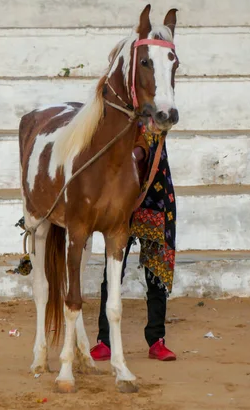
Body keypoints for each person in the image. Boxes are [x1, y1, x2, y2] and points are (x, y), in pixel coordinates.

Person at [90, 121, 177, 362]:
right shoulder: (121, 113)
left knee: (156, 273)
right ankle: (104, 340)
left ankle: (157, 340)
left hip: (157, 198)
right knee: (113, 270)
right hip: (121, 199)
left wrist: (124, 153)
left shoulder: (157, 113)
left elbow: (145, 146)